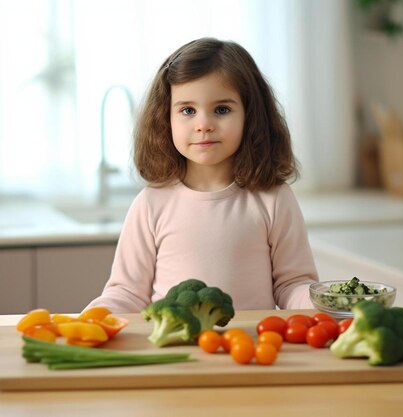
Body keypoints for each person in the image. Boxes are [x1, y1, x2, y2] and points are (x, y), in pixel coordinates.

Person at [85, 37, 318, 313]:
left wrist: (327, 304)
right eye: (187, 110)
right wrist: (93, 317)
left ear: (251, 116)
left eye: (221, 109)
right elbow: (126, 292)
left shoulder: (273, 198)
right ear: (165, 118)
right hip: (175, 350)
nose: (203, 125)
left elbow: (293, 283)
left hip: (250, 350)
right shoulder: (151, 203)